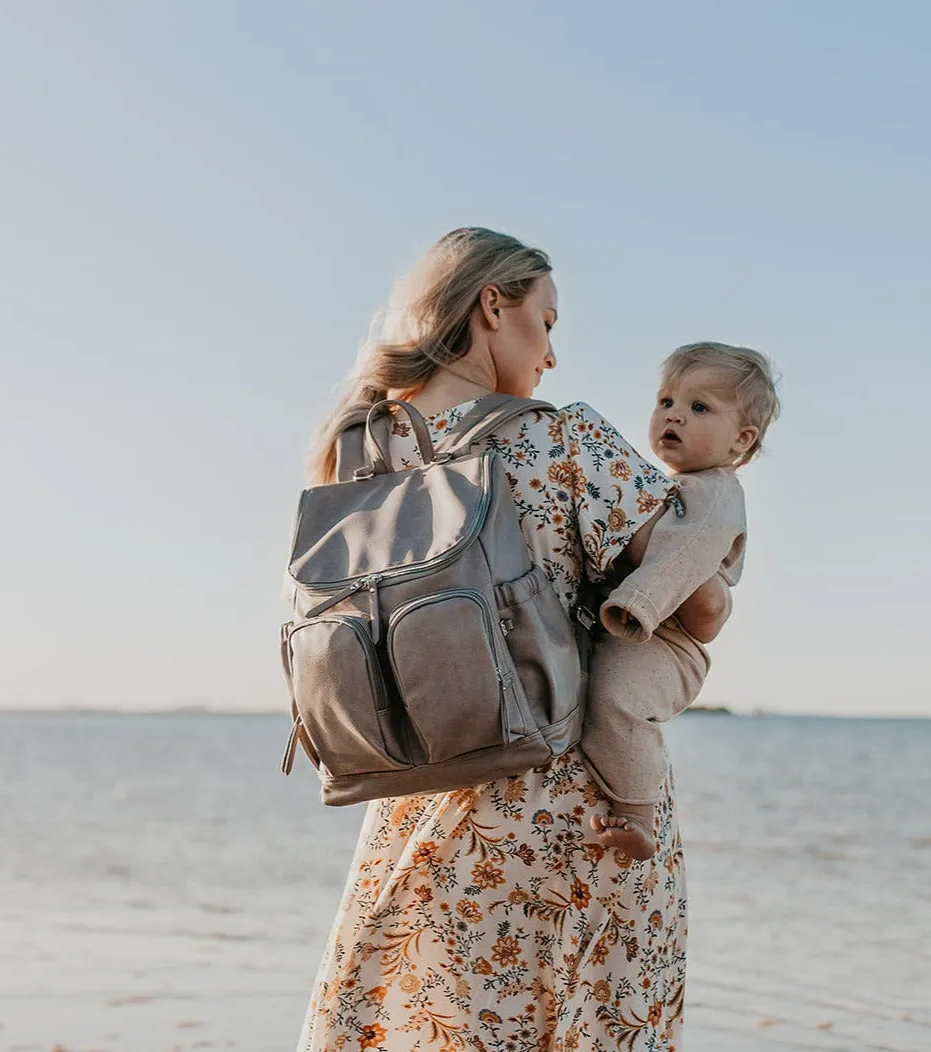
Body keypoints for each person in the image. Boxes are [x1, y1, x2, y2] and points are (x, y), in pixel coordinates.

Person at [296, 227, 730, 1052]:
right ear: (494, 305)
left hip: (419, 807)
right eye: (549, 321)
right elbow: (701, 604)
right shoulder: (560, 440)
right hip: (572, 804)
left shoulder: (354, 446)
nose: (553, 354)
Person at [586, 343, 781, 860]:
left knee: (616, 697)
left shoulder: (717, 493)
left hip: (666, 642)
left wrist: (638, 603)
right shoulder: (667, 488)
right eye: (666, 400)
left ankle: (638, 816)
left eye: (699, 408)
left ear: (741, 440)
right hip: (639, 626)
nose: (673, 414)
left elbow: (688, 553)